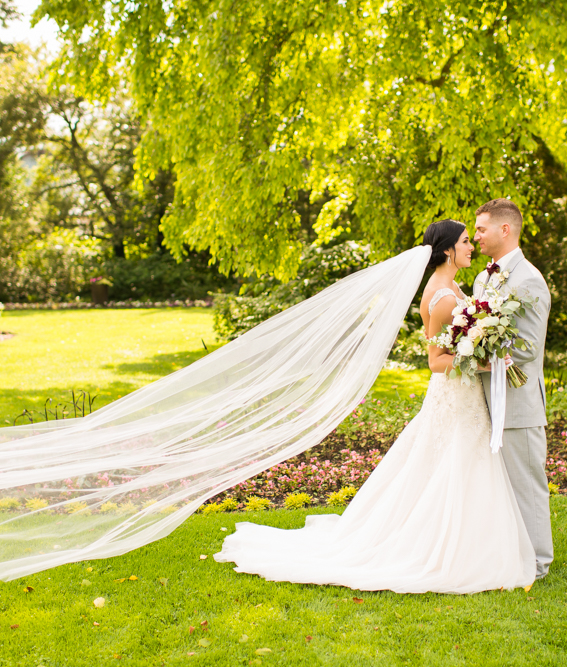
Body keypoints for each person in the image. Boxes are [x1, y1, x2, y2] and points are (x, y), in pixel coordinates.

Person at [213, 219, 537, 593]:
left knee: (444, 467)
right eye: (466, 241)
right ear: (448, 250)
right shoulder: (445, 298)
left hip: (460, 397)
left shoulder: (450, 287)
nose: (471, 246)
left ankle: (467, 541)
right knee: (454, 465)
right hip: (455, 398)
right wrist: (485, 362)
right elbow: (435, 362)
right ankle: (450, 549)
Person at [472, 198, 554, 580]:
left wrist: (476, 349)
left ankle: (538, 562)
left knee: (527, 485)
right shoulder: (483, 278)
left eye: (482, 229)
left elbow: (527, 347)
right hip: (485, 398)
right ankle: (505, 553)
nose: (476, 237)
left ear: (505, 229)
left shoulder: (529, 279)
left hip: (518, 402)